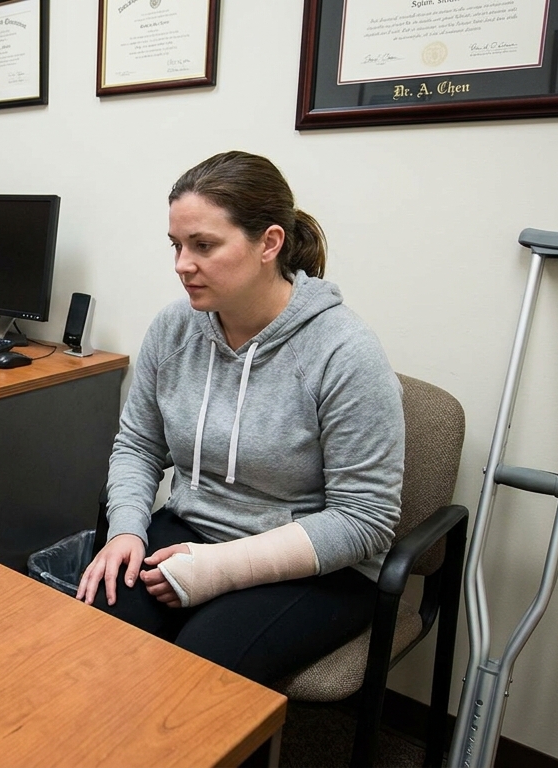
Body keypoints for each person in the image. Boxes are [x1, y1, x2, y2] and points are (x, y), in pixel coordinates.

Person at [75, 150, 404, 687]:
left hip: (315, 564)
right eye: (177, 246)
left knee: (196, 677)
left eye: (203, 245)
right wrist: (127, 531)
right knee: (96, 631)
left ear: (269, 244)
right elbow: (137, 444)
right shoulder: (175, 328)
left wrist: (219, 568)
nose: (183, 264)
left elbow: (365, 519)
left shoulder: (344, 351)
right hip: (193, 529)